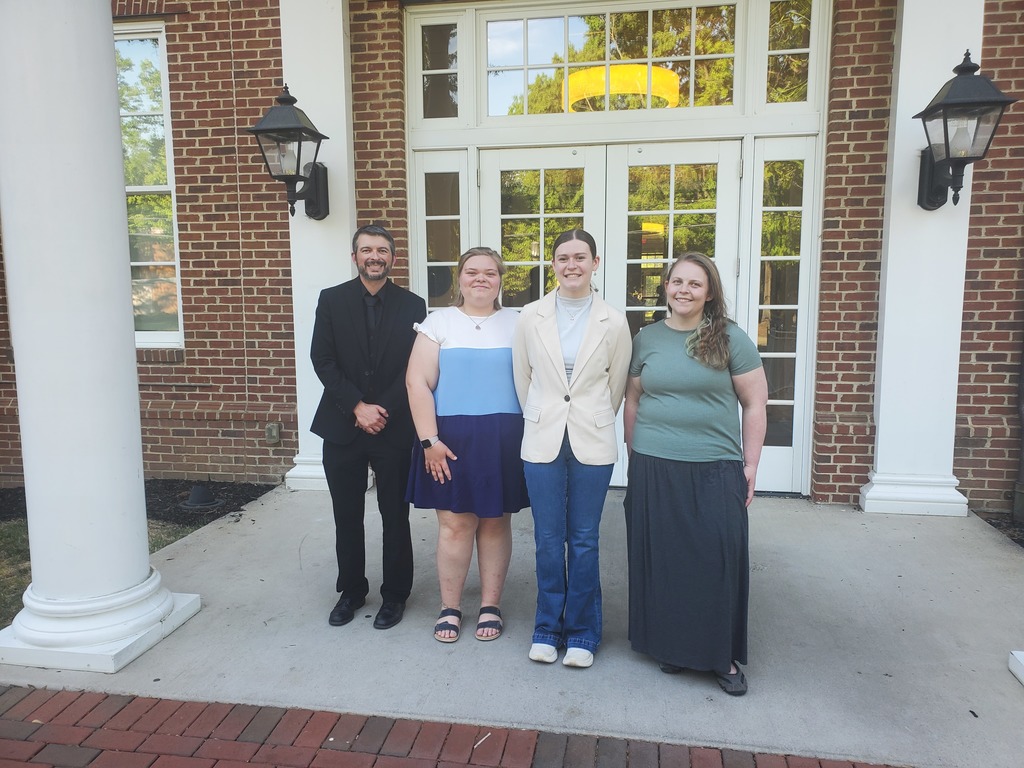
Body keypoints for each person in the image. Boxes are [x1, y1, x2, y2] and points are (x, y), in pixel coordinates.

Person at [623, 252, 768, 696]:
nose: (683, 290)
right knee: (663, 559)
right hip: (654, 463)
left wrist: (751, 463)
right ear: (665, 286)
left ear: (709, 293)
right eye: (677, 282)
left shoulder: (729, 337)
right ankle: (671, 646)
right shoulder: (646, 338)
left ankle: (719, 656)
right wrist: (633, 456)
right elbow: (632, 400)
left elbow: (755, 404)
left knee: (716, 558)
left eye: (695, 284)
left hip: (715, 465)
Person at [512, 229, 631, 668]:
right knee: (546, 539)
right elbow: (523, 378)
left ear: (595, 263)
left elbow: (615, 385)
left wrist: (591, 415)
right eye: (563, 258)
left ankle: (582, 632)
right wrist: (547, 413)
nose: (571, 265)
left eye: (580, 257)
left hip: (592, 439)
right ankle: (547, 627)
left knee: (583, 539)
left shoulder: (613, 320)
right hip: (542, 436)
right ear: (554, 265)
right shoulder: (531, 315)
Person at [406, 247, 529, 643]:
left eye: (490, 273)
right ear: (459, 278)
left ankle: (490, 604)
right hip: (449, 440)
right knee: (455, 524)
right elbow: (417, 384)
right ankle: (450, 607)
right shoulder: (438, 323)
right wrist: (430, 441)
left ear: (500, 279)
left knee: (495, 521)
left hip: (504, 438)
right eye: (472, 272)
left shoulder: (521, 322)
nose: (481, 279)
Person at [311, 224, 427, 631]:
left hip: (393, 427)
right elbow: (322, 360)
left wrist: (381, 410)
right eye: (366, 250)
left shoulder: (414, 305)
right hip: (342, 424)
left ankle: (395, 594)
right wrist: (358, 406)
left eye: (381, 250)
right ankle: (352, 590)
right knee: (347, 515)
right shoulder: (331, 300)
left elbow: (416, 367)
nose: (374, 256)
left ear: (393, 257)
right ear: (355, 256)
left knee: (395, 514)